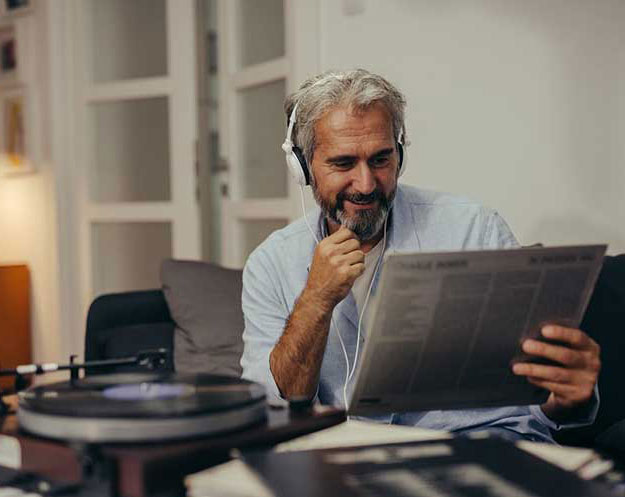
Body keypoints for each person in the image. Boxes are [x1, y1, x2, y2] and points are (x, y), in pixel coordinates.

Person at [241, 69, 600, 442]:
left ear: (399, 153)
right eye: (343, 163)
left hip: (485, 443)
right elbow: (276, 410)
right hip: (347, 461)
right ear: (302, 167)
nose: (366, 185)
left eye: (381, 159)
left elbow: (536, 401)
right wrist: (315, 300)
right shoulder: (270, 264)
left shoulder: (475, 229)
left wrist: (567, 400)